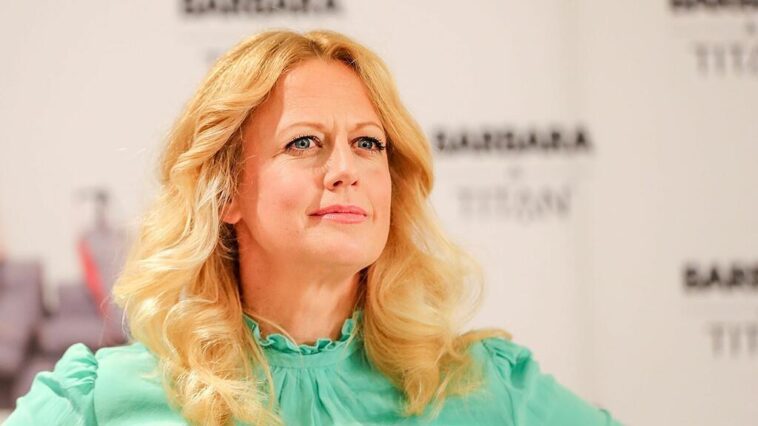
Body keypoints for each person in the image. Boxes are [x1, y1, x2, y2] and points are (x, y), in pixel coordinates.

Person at [6, 30, 622, 425]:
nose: (346, 170)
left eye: (368, 143)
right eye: (304, 142)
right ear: (226, 192)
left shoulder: (490, 389)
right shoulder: (97, 402)